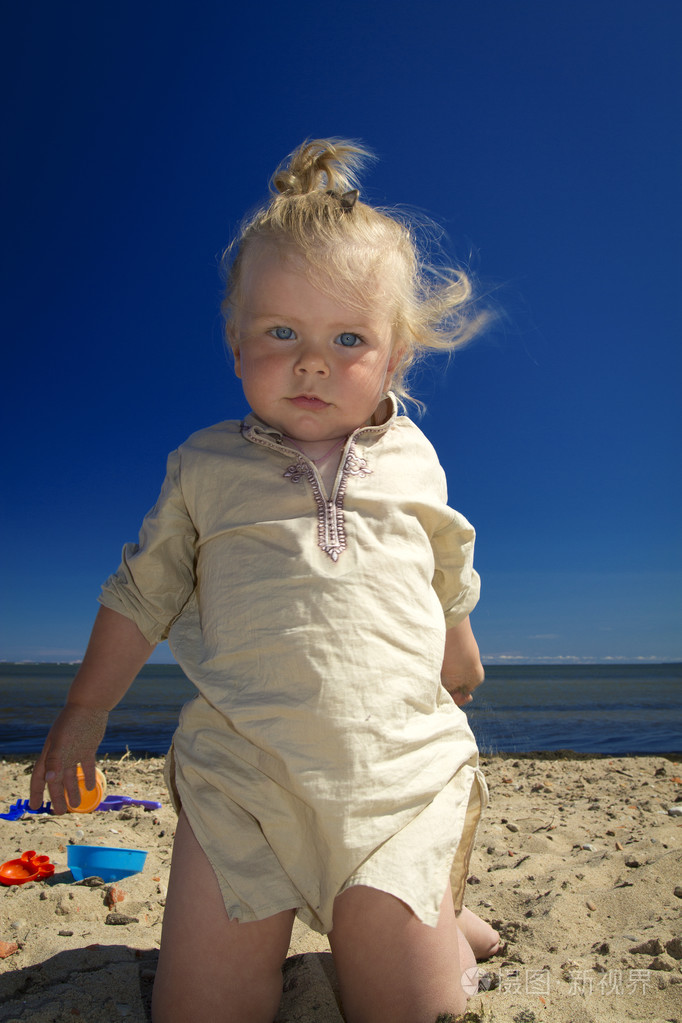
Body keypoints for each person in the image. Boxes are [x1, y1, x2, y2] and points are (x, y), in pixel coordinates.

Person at [30, 139, 499, 1023]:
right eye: (282, 332)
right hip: (241, 782)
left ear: (396, 357)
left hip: (394, 779)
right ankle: (433, 923)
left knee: (409, 1001)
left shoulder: (416, 457)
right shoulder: (203, 466)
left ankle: (445, 918)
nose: (312, 361)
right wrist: (86, 708)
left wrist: (459, 645)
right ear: (235, 340)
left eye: (348, 338)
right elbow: (141, 591)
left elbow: (443, 561)